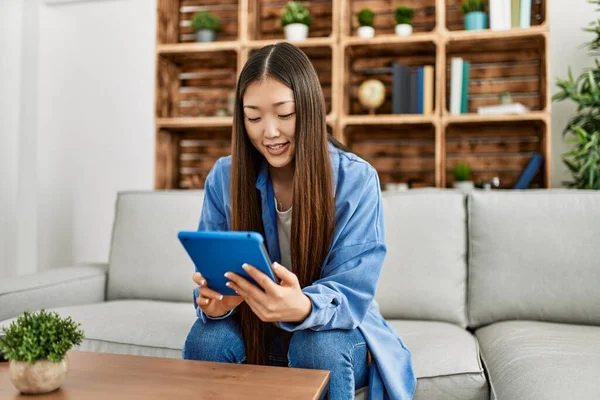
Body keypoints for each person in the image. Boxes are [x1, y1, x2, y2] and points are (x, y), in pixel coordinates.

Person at [182, 42, 416, 400]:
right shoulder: (223, 177)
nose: (270, 132)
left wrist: (303, 306)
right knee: (206, 338)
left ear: (307, 108)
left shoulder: (356, 180)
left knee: (315, 346)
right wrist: (214, 303)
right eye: (254, 117)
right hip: (255, 328)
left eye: (284, 114)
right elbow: (213, 275)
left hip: (331, 332)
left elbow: (352, 291)